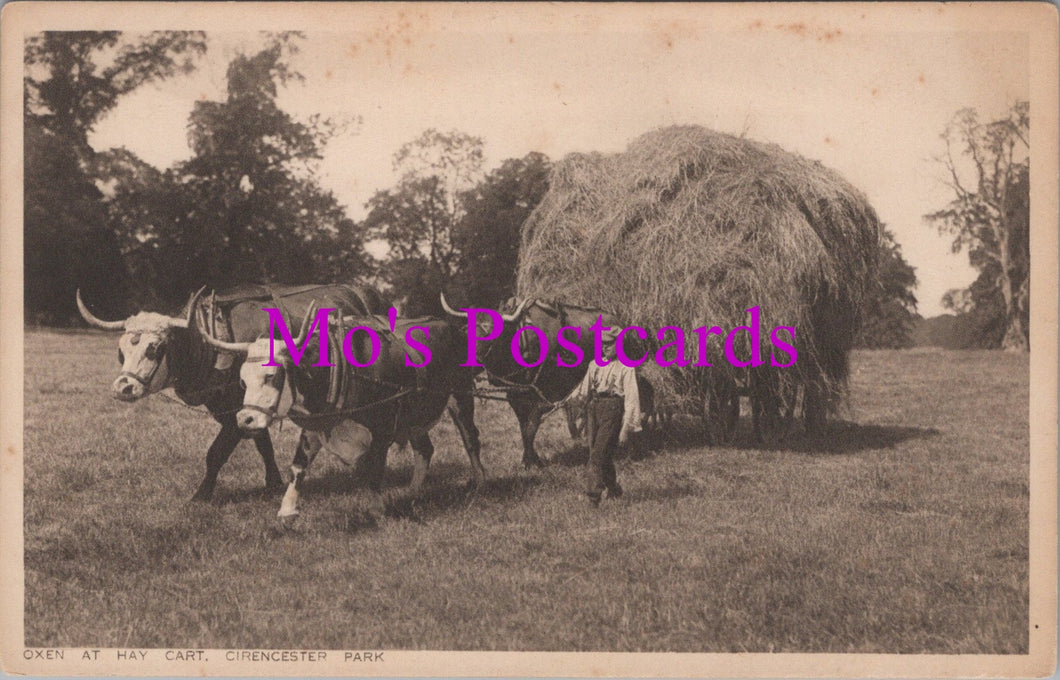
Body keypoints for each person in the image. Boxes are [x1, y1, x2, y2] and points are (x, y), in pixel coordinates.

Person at [570, 326, 641, 506]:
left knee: (596, 455)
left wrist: (626, 428)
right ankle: (614, 488)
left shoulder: (627, 368)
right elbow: (583, 391)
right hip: (594, 410)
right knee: (602, 454)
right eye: (602, 344)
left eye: (609, 344)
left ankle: (593, 497)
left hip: (613, 410)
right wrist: (567, 401)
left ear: (619, 345)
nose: (604, 347)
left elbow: (632, 401)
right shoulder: (594, 365)